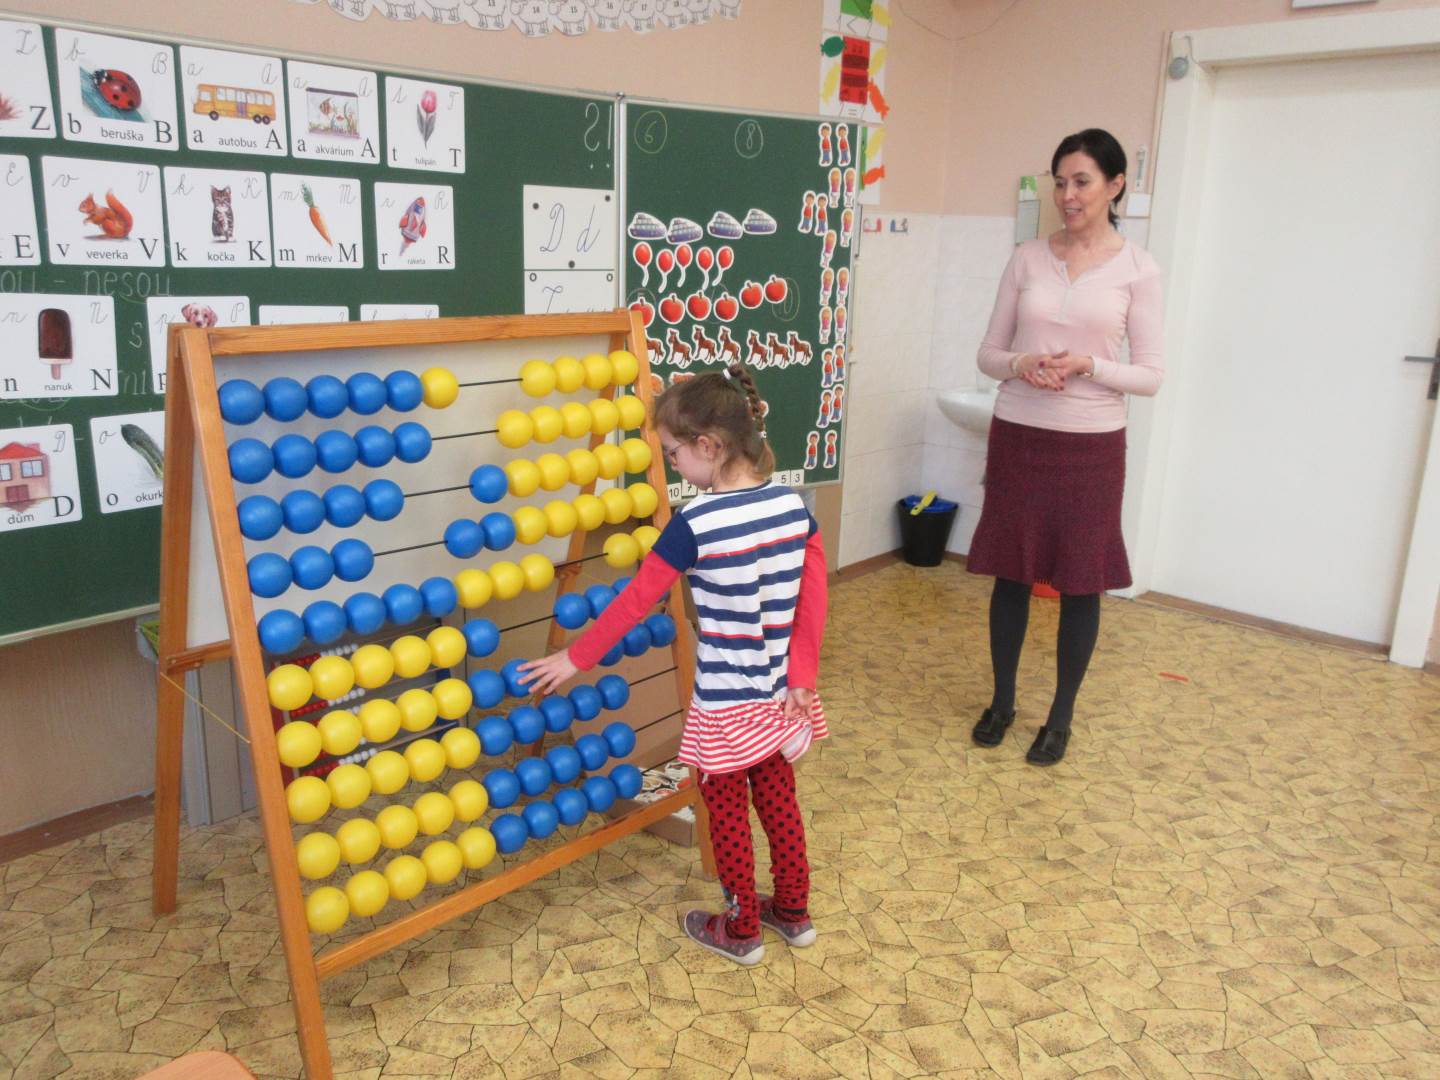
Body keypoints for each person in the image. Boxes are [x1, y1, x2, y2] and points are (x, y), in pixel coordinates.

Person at [520, 363, 829, 965]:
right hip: (781, 696)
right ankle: (794, 912)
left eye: (673, 454)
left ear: (708, 446)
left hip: (725, 705)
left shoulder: (697, 524)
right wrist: (802, 676)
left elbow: (637, 599)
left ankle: (741, 929)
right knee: (779, 803)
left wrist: (575, 658)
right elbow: (813, 596)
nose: (672, 465)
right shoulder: (792, 506)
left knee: (726, 816)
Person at [967, 128, 1164, 766]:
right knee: (1011, 574)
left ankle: (1060, 718)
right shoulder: (1026, 258)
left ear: (1114, 185)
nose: (1068, 195)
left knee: (1083, 582)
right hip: (1019, 436)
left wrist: (1089, 366)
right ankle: (1001, 702)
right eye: (1059, 182)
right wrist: (1021, 362)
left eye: (1081, 182)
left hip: (1092, 446)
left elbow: (1151, 376)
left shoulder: (1138, 269)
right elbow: (988, 354)